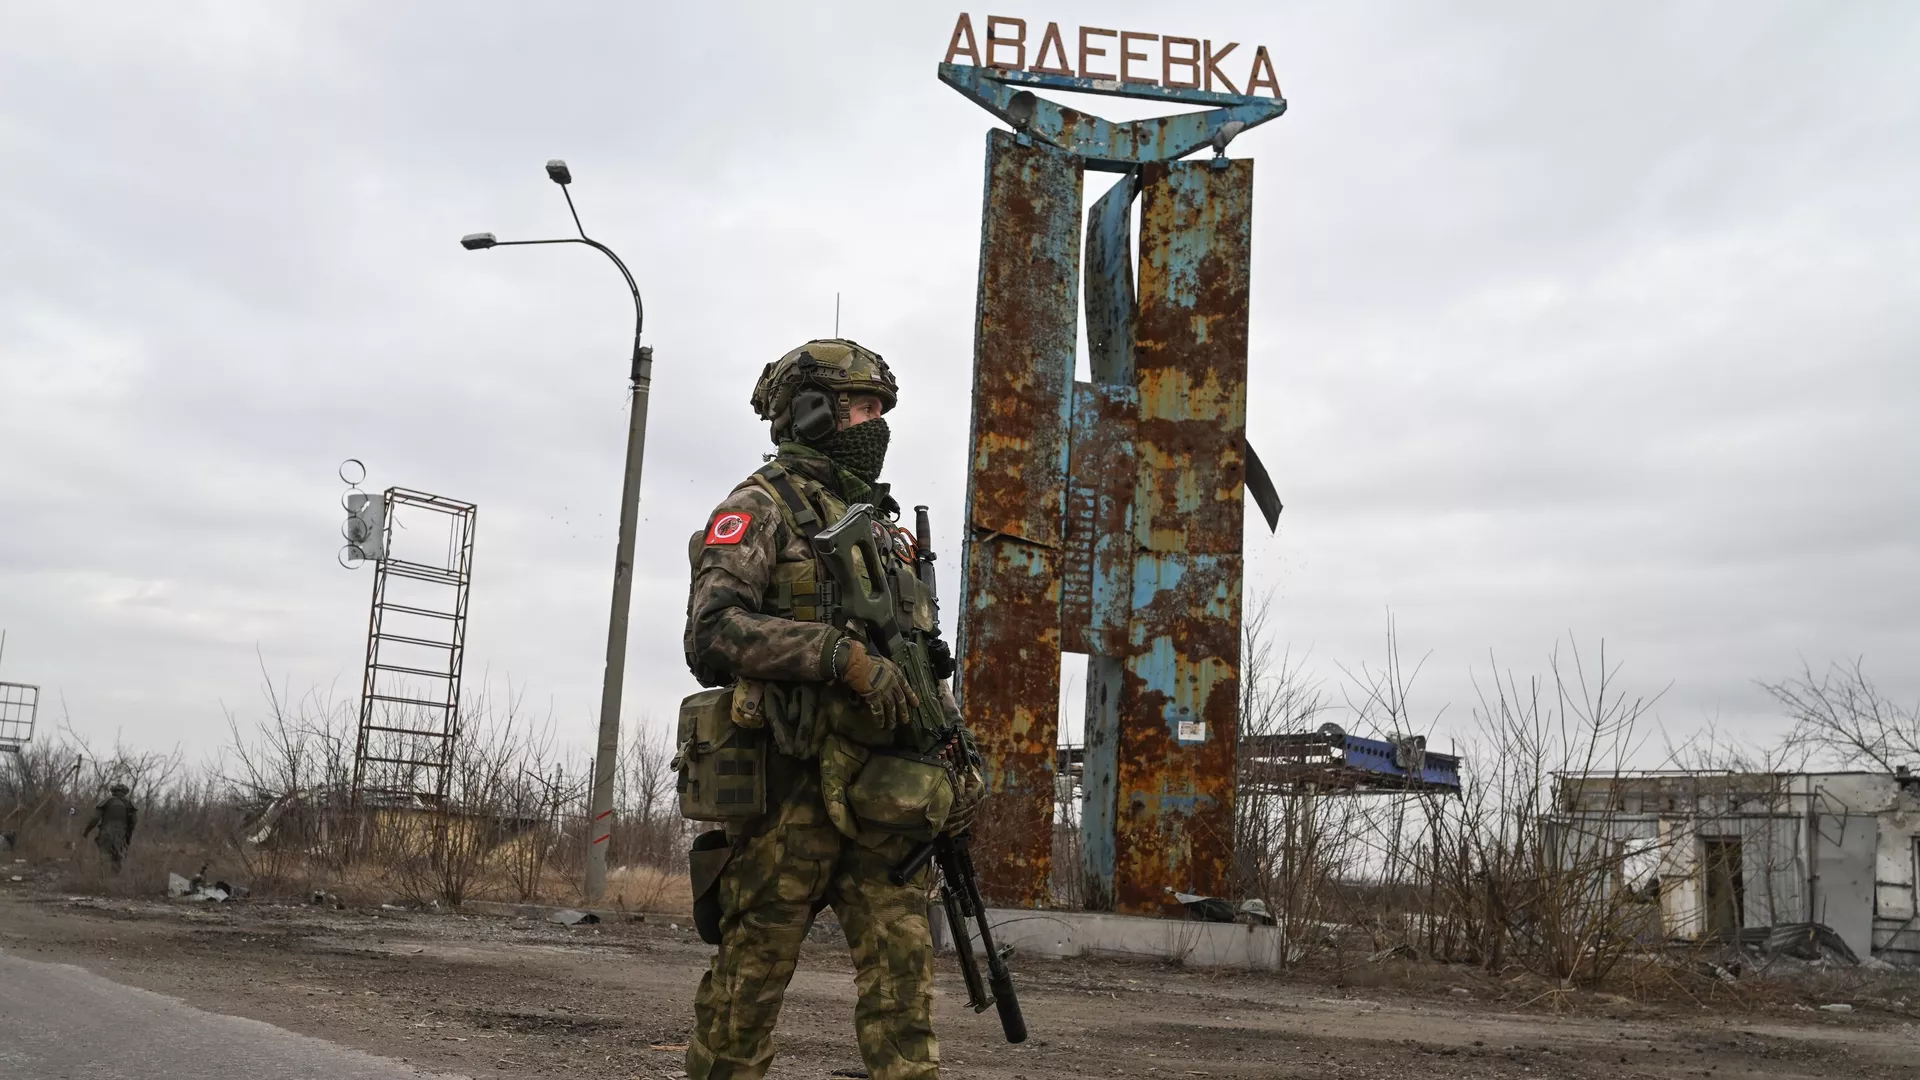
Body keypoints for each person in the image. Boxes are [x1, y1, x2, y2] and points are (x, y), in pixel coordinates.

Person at [681, 338, 985, 1080]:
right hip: (789, 793)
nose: (876, 423)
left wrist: (958, 758)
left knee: (905, 997)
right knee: (746, 992)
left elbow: (921, 662)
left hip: (885, 798)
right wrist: (833, 655)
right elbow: (711, 632)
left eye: (880, 408)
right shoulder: (760, 506)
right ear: (812, 411)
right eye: (861, 407)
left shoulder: (884, 530)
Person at [81, 782, 137, 872]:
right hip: (122, 835)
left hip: (106, 833)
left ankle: (100, 876)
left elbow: (95, 819)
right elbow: (134, 822)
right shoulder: (130, 804)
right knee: (118, 858)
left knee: (104, 855)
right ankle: (114, 878)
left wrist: (86, 832)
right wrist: (128, 835)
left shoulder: (106, 801)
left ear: (113, 791)